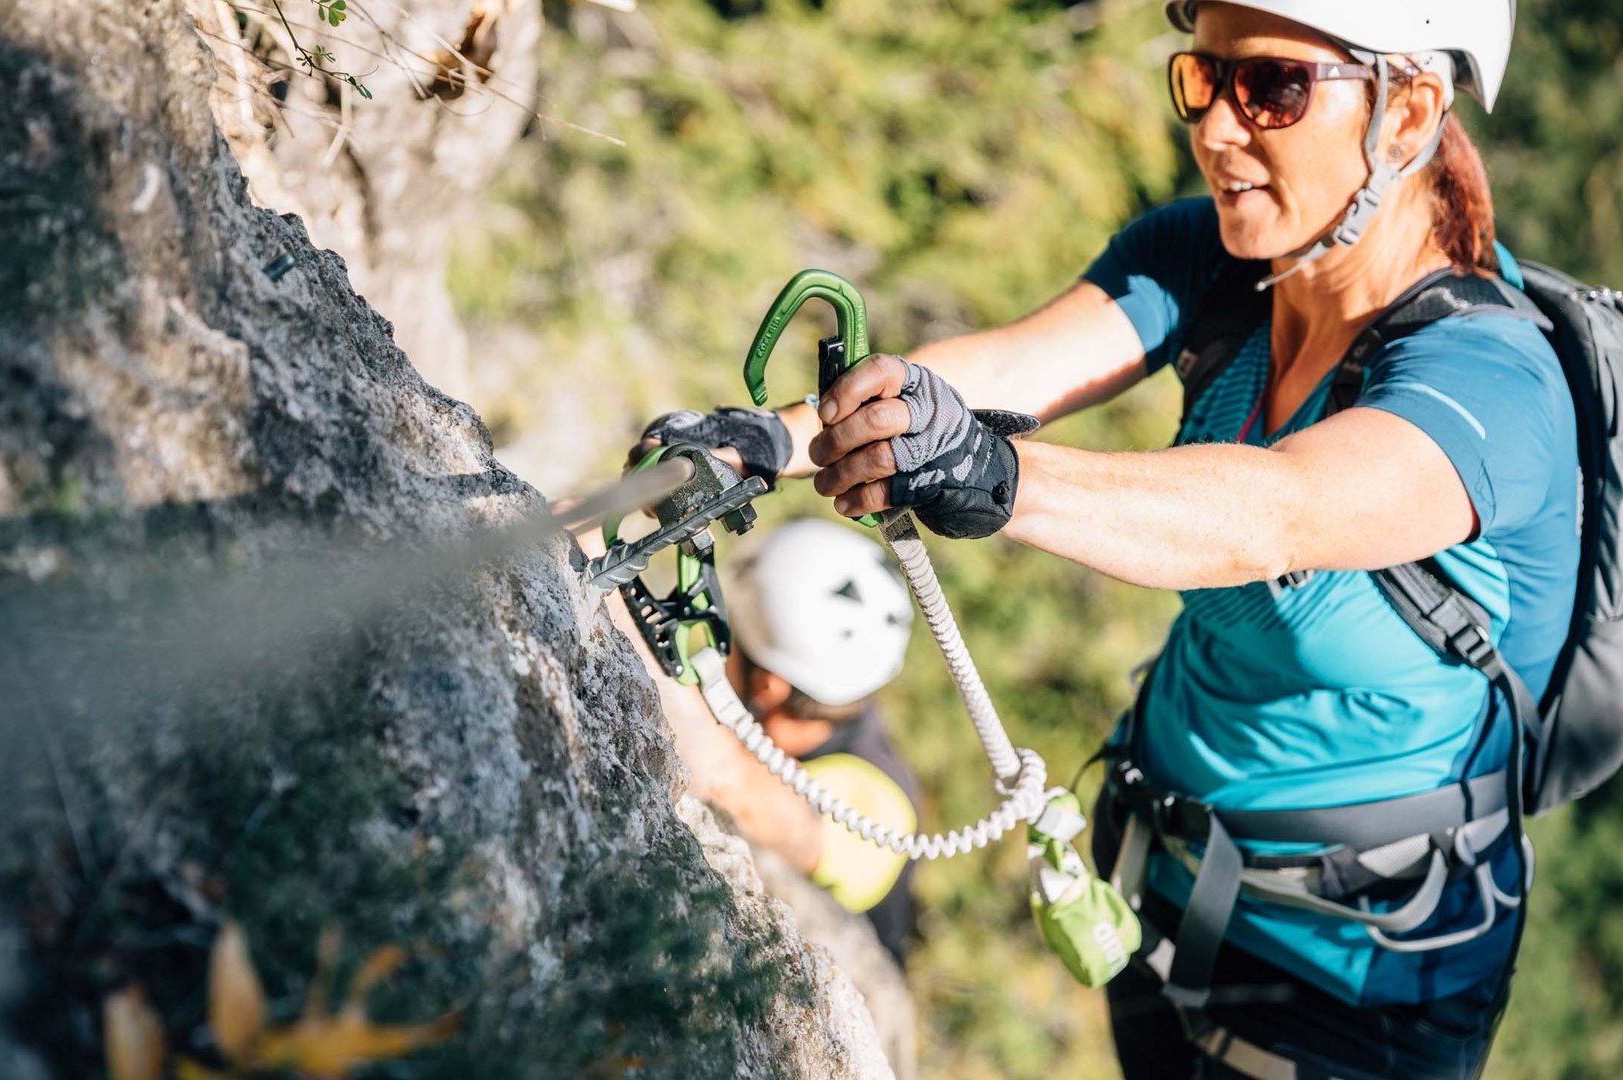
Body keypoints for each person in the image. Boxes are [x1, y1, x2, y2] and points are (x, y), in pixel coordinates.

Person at [639, 2, 1568, 1076]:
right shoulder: (1217, 262)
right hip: (1157, 892)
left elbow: (1277, 515)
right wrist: (765, 443)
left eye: (1272, 86)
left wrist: (992, 475)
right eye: (1200, 80)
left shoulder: (1492, 388)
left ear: (1408, 110)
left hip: (1362, 982)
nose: (1217, 129)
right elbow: (1005, 376)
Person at [634, 518, 925, 966]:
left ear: (768, 685)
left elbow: (734, 785)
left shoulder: (882, 805)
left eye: (725, 642)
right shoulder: (822, 698)